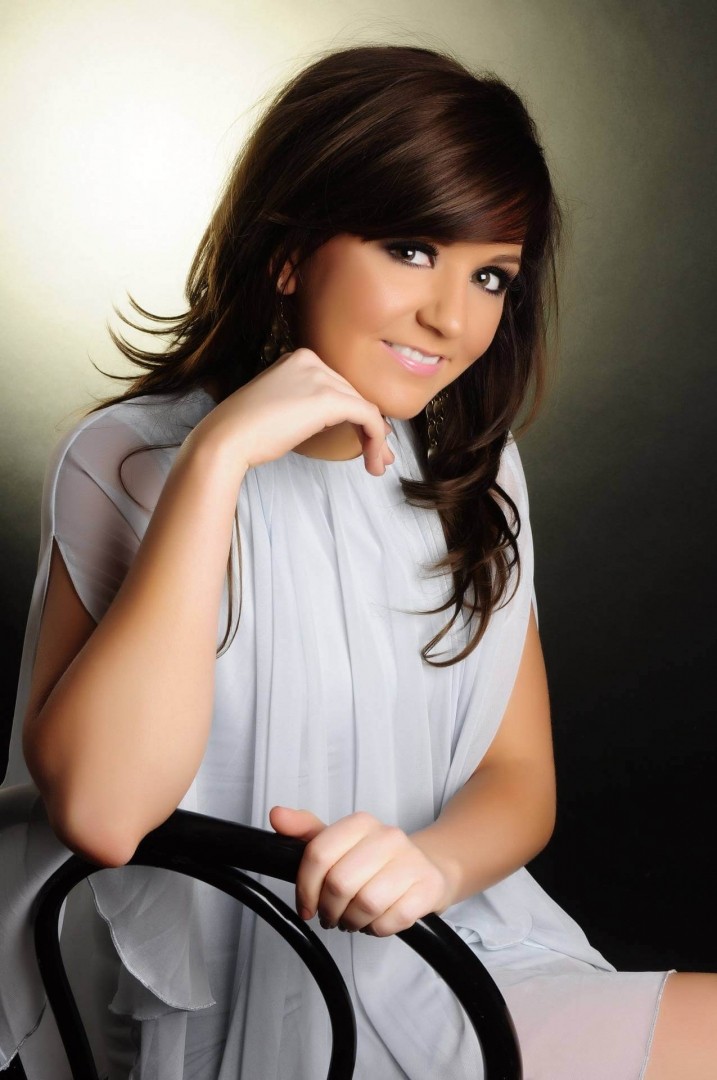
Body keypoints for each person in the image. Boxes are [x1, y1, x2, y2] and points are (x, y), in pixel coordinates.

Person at [1, 41, 715, 1080]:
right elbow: (104, 817)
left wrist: (426, 867)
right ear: (290, 252)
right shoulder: (131, 461)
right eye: (411, 249)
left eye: (490, 275)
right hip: (230, 1004)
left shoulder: (473, 468)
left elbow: (519, 778)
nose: (451, 317)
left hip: (442, 949)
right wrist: (216, 464)